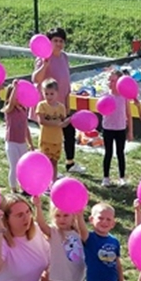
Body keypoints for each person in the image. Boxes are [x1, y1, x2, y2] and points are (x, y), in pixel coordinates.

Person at [31, 27, 83, 174]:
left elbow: (66, 82)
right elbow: (36, 79)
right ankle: (50, 167)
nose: (59, 44)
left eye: (61, 41)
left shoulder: (64, 57)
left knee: (68, 132)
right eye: (55, 41)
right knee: (49, 137)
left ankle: (70, 163)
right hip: (48, 107)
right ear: (49, 42)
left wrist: (67, 104)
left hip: (61, 105)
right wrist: (45, 65)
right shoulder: (43, 58)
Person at [34, 194, 88, 281]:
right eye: (57, 216)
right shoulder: (54, 232)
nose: (61, 219)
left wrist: (80, 215)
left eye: (65, 215)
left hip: (78, 280)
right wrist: (38, 207)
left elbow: (84, 233)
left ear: (73, 216)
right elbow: (41, 225)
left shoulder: (78, 232)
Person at [84, 203, 125, 281]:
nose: (104, 222)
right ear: (91, 219)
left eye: (108, 219)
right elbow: (80, 226)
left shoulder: (114, 241)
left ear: (113, 223)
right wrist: (79, 213)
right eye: (100, 218)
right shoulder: (88, 237)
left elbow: (118, 266)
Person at [100, 70, 134, 187]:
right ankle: (106, 177)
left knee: (120, 153)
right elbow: (101, 109)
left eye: (113, 80)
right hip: (108, 128)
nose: (110, 83)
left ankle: (122, 177)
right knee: (108, 153)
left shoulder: (124, 97)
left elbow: (129, 114)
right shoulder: (106, 95)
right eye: (109, 80)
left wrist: (130, 131)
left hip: (120, 129)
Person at [4, 81, 36, 193]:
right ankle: (13, 188)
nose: (19, 98)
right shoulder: (9, 110)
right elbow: (12, 102)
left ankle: (23, 186)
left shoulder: (23, 109)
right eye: (16, 95)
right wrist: (16, 87)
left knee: (23, 166)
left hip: (22, 142)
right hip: (11, 142)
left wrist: (30, 143)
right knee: (14, 165)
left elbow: (26, 128)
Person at [36, 79, 71, 178]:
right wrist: (56, 123)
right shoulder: (41, 105)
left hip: (57, 140)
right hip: (45, 140)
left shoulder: (61, 107)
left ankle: (53, 181)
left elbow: (63, 123)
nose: (49, 96)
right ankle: (45, 180)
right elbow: (42, 121)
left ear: (57, 93)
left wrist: (68, 121)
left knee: (54, 162)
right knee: (45, 162)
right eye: (46, 94)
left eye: (52, 94)